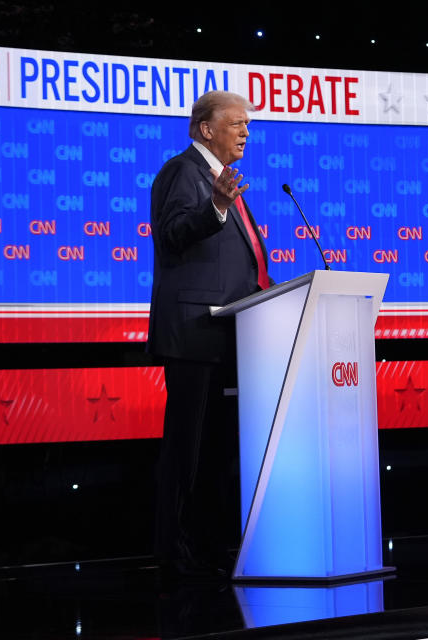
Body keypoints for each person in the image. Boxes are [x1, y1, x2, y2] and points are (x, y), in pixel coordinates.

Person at [147, 90, 271, 579]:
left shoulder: (222, 180)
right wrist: (215, 208)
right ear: (205, 129)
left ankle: (207, 545)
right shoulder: (183, 172)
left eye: (248, 124)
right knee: (187, 448)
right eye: (236, 123)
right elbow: (172, 232)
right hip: (195, 332)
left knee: (219, 449)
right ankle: (173, 554)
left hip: (229, 335)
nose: (245, 131)